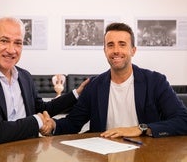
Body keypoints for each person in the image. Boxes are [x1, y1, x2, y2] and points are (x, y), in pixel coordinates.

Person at [0, 17, 89, 157]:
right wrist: (38, 120)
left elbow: (42, 108)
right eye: (4, 41)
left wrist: (76, 94)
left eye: (18, 43)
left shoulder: (24, 76)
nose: (11, 50)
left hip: (25, 156)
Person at [43, 22, 187, 138]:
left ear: (133, 50)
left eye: (122, 44)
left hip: (147, 153)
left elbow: (182, 120)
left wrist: (141, 129)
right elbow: (73, 123)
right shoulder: (94, 86)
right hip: (105, 155)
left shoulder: (155, 81)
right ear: (105, 50)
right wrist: (53, 125)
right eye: (110, 45)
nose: (116, 50)